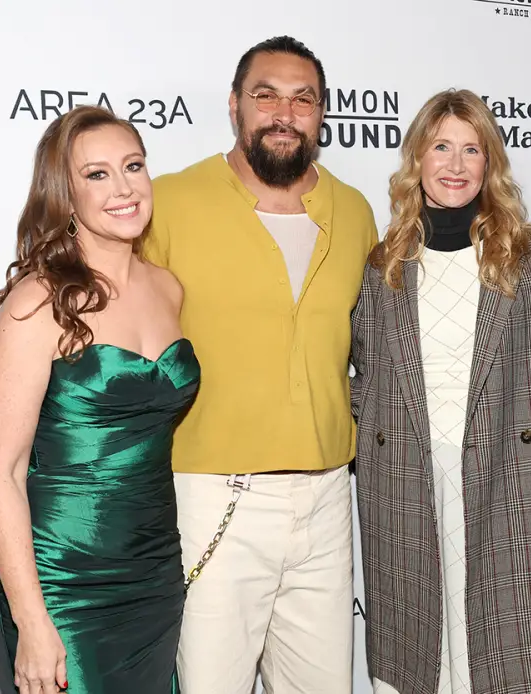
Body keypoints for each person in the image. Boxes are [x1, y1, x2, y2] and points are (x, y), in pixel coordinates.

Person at [142, 36, 378, 694]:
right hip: (211, 491)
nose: (284, 111)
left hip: (329, 495)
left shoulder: (355, 210)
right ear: (234, 106)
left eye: (302, 98)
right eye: (265, 95)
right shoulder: (168, 201)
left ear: (323, 113)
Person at [350, 88, 531, 694]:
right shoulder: (383, 266)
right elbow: (364, 376)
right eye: (440, 147)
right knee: (425, 648)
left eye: (471, 149)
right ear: (416, 160)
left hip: (511, 478)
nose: (455, 165)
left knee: (513, 649)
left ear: (490, 162)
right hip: (406, 479)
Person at [0, 105, 199, 694]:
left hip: (155, 568)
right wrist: (30, 619)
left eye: (134, 166)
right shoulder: (37, 303)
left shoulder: (168, 287)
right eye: (97, 175)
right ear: (66, 195)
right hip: (63, 578)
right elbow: (1, 473)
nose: (124, 188)